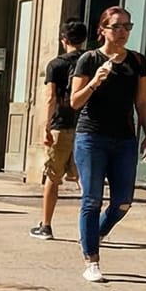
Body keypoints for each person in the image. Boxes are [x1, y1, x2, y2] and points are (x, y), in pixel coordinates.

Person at [69, 6, 146, 283]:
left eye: (127, 27)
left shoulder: (137, 61)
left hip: (124, 139)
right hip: (91, 137)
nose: (122, 32)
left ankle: (97, 233)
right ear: (102, 29)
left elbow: (141, 101)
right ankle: (91, 259)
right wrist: (95, 81)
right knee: (92, 200)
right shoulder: (88, 59)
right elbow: (75, 102)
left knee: (123, 203)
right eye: (116, 26)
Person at [32, 20, 91, 239]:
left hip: (61, 125)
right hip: (86, 126)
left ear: (63, 39)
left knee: (52, 177)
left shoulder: (55, 65)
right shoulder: (91, 61)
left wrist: (45, 126)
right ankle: (89, 229)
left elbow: (50, 98)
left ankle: (46, 225)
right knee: (84, 179)